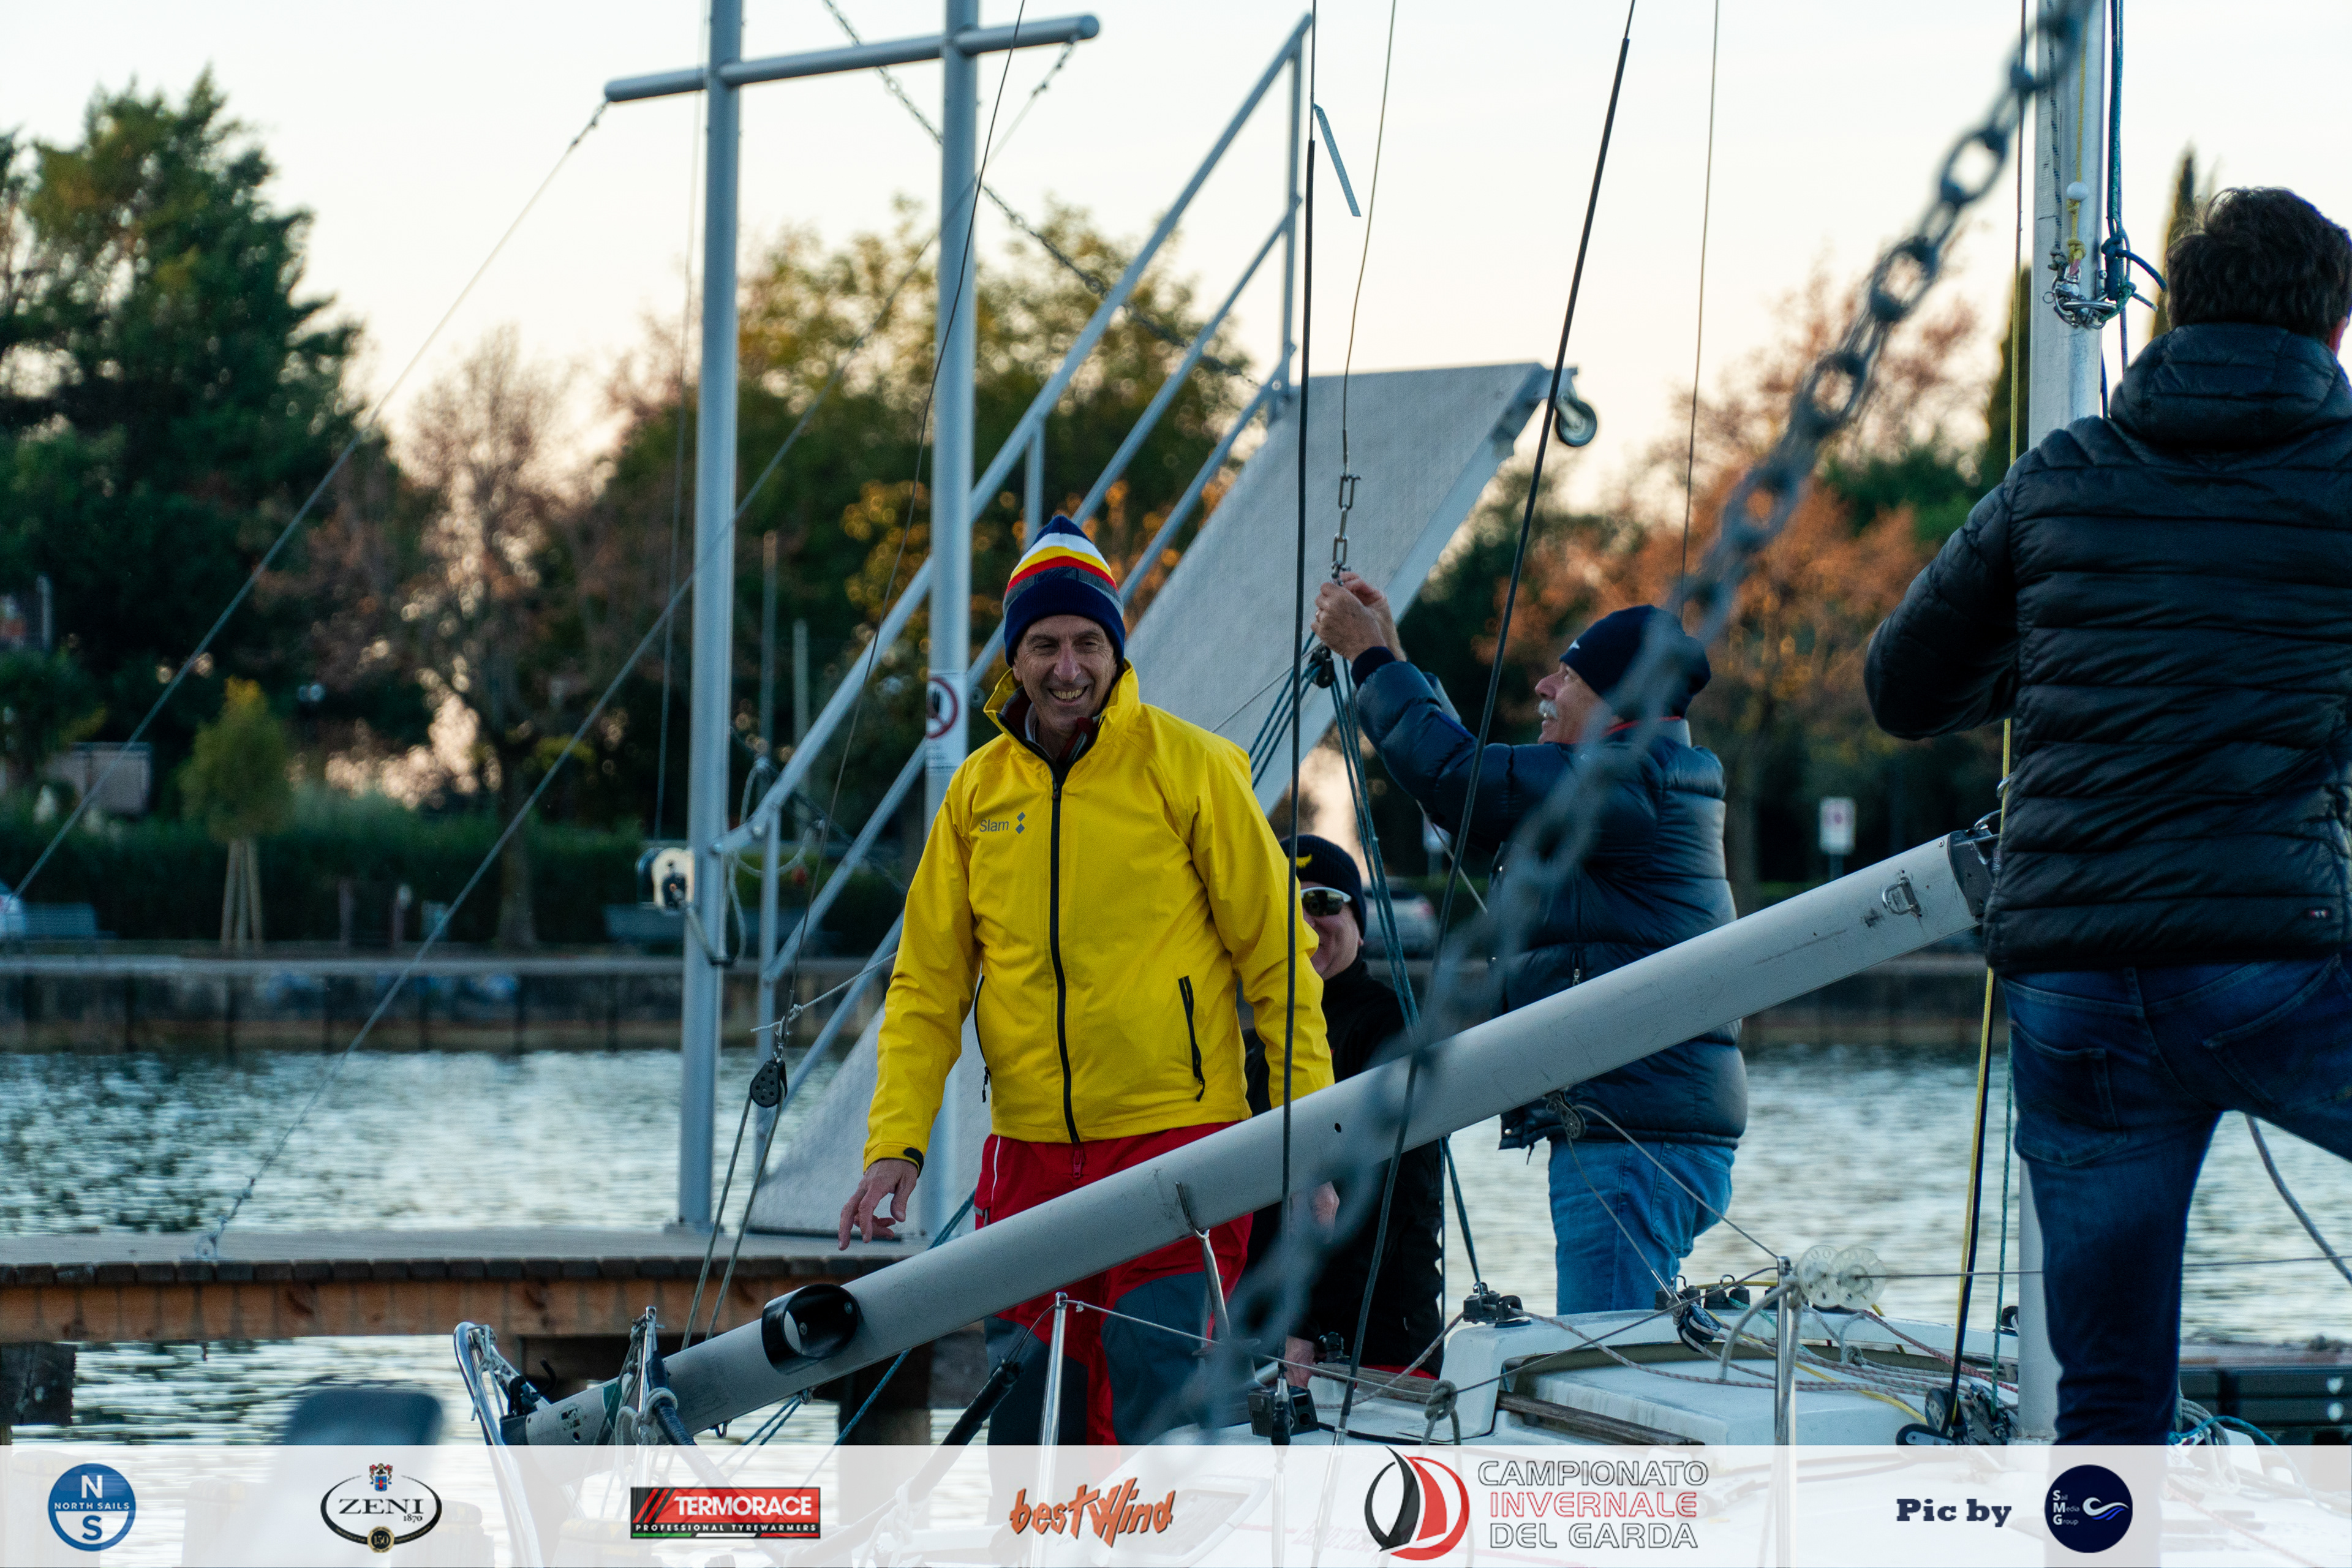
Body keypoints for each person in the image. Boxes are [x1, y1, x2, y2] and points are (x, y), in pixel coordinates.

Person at [1864, 187, 2352, 1445]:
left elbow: (1902, 688)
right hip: (2268, 958)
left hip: (2074, 978)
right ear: (2333, 327)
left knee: (2110, 1399)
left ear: (2175, 315)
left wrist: (2051, 664)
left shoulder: (2061, 473)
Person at [838, 513, 1334, 1446]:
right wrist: (894, 1146)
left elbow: (1278, 966)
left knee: (1150, 1412)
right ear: (1014, 660)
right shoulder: (977, 794)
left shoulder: (1193, 771)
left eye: (1087, 643)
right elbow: (926, 988)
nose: (1068, 667)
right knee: (1028, 1419)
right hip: (1027, 1165)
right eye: (1045, 646)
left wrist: (1308, 1134)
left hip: (1178, 1152)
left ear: (1116, 649)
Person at [1312, 582, 1744, 1315]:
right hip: (1634, 1131)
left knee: (1607, 1364)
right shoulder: (1637, 784)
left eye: (1569, 677)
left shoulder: (1629, 779)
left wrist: (1371, 658)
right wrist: (1394, 657)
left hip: (1630, 1141)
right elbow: (1471, 800)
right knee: (1619, 1348)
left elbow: (1464, 780)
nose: (1545, 686)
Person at [1240, 834, 1446, 1386]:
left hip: (1369, 1344)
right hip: (1265, 1343)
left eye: (1324, 902)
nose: (1306, 921)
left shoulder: (1392, 1028)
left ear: (1358, 918)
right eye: (1287, 903)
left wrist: (1308, 1326)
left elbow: (1388, 1195)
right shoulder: (1257, 1047)